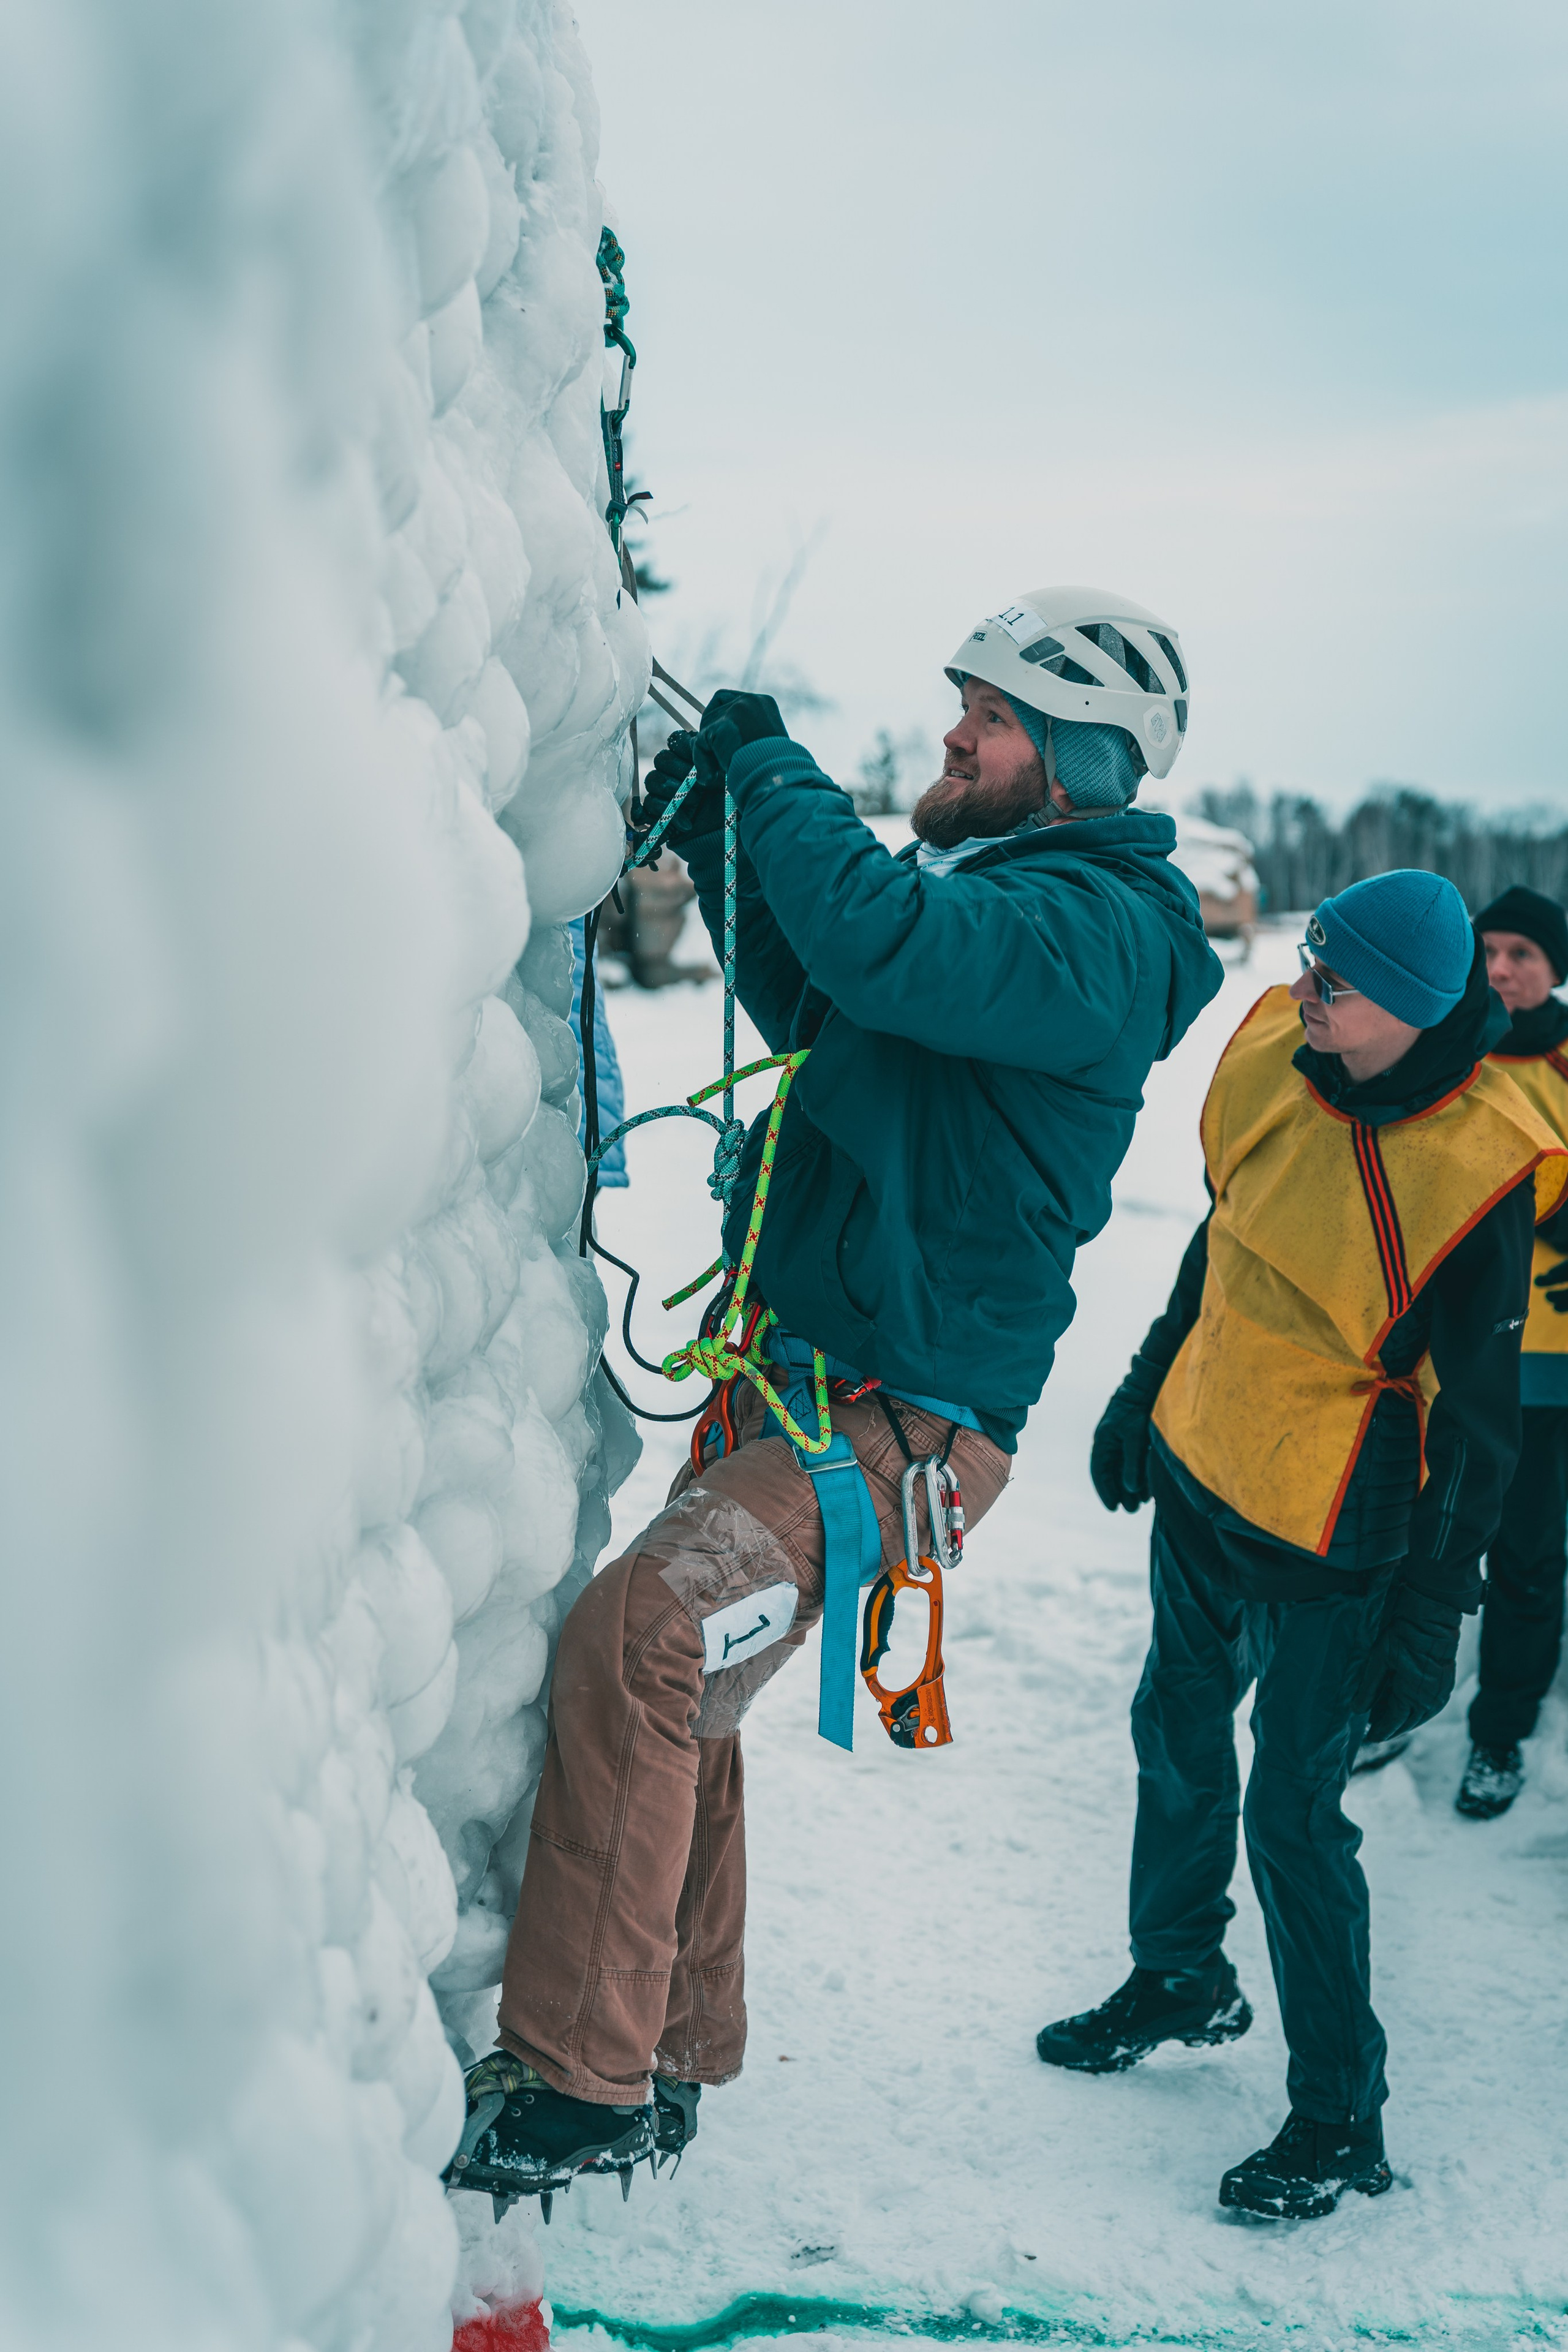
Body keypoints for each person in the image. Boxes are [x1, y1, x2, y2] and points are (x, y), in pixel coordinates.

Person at [446, 589, 1223, 2209]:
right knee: (692, 1684)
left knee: (649, 1640)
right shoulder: (1015, 912)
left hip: (898, 1430)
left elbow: (886, 943)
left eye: (989, 718)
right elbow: (830, 998)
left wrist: (775, 773)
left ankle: (584, 2083)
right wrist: (734, 827)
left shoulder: (1099, 932)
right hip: (809, 1394)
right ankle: (666, 2051)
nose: (953, 734)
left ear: (1076, 762)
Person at [1043, 872, 1567, 2220]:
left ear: (1404, 1004)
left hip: (1339, 1526)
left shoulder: (1472, 1169)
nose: (1300, 990)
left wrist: (1426, 1618)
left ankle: (1337, 2116)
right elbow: (1223, 1241)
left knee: (1290, 1818)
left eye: (1329, 977)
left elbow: (1484, 1436)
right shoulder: (1286, 1057)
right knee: (1171, 1721)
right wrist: (1143, 1388)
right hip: (1209, 1458)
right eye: (1307, 963)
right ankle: (1178, 1973)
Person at [1452, 886, 1568, 1817]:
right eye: (1487, 950)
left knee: (1529, 1553)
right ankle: (1397, 1700)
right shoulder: (1451, 1050)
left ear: (1556, 967)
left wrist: (1549, 1203)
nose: (1499, 969)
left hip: (1549, 1362)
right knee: (1427, 1537)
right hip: (1442, 1357)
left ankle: (1499, 1732)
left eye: (1521, 952)